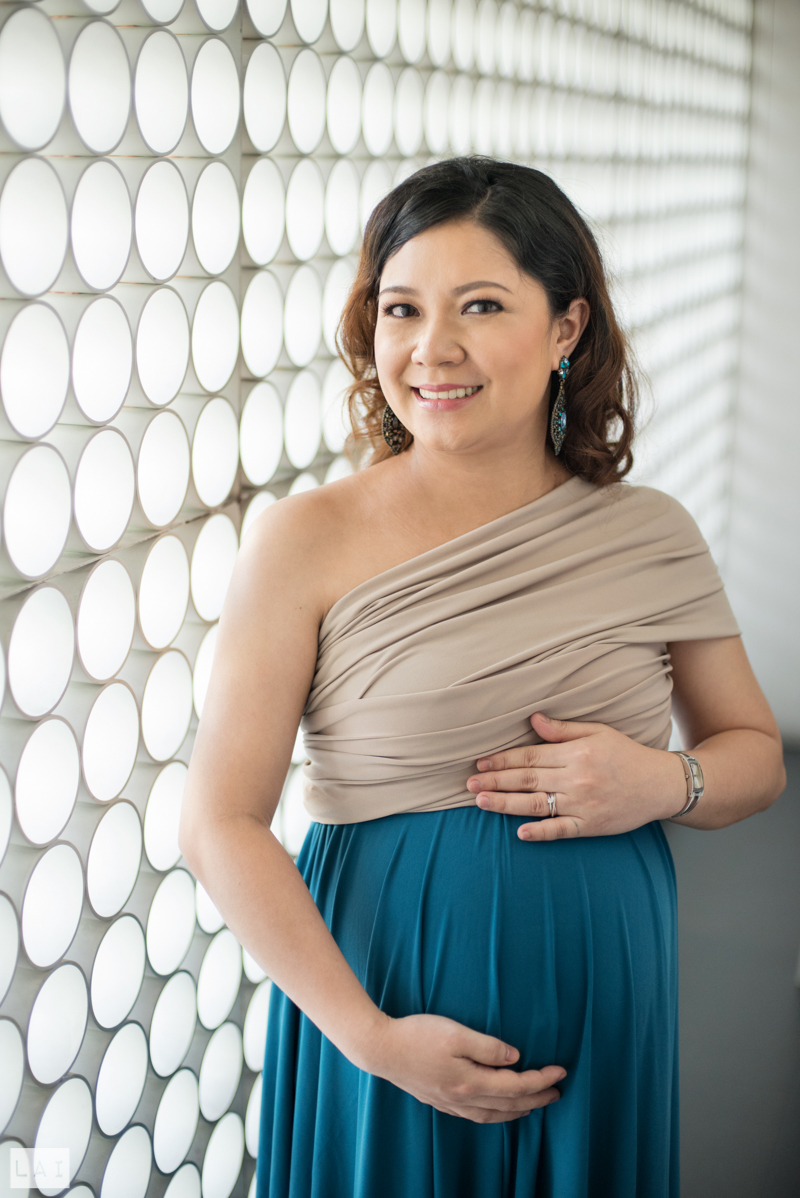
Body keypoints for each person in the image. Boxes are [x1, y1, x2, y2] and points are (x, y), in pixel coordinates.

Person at [178, 157, 786, 1198]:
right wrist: (371, 1040)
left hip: (603, 997)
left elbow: (755, 757)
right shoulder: (303, 539)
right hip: (380, 1004)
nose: (432, 348)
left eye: (482, 305)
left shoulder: (650, 532)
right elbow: (217, 821)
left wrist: (662, 781)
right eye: (402, 309)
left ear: (566, 328)